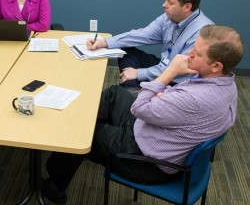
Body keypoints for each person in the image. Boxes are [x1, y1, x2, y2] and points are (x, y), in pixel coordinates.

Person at [43, 25, 244, 204]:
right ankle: (77, 150)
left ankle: (55, 186)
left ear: (216, 66)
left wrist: (170, 72)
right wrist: (163, 95)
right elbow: (166, 101)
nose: (189, 53)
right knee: (114, 94)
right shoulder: (226, 83)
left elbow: (140, 108)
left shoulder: (194, 99)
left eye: (197, 53)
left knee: (81, 134)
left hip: (146, 159)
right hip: (152, 131)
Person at [87, 0, 213, 88]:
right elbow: (142, 35)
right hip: (163, 64)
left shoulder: (202, 32)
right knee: (125, 50)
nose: (164, 5)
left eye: (170, 2)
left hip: (178, 79)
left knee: (131, 79)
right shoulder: (169, 17)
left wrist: (139, 73)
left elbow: (179, 70)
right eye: (165, 0)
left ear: (187, 7)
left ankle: (133, 97)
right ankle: (132, 91)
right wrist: (105, 42)